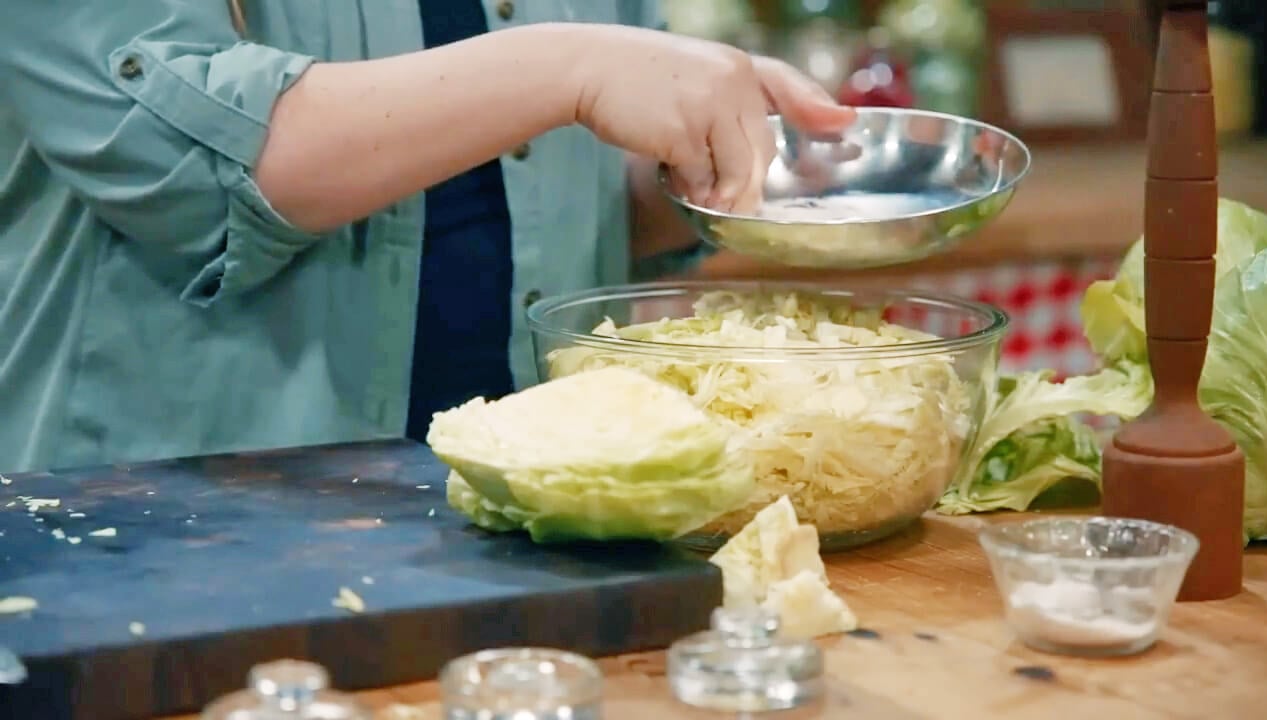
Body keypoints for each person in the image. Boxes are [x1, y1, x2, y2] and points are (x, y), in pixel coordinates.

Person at [0, 1, 856, 474]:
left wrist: (704, 164)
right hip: (169, 549)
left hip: (525, 537)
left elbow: (562, 203)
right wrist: (576, 65)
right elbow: (185, 169)